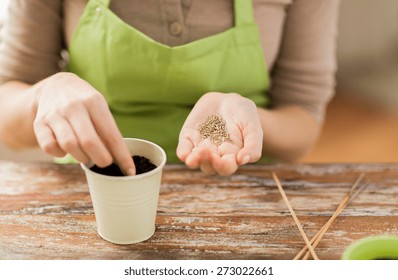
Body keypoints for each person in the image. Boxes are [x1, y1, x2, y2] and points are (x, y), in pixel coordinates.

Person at [0, 0, 340, 176]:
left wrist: (250, 122)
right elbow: (7, 110)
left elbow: (303, 122)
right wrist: (43, 95)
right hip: (91, 189)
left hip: (241, 192)